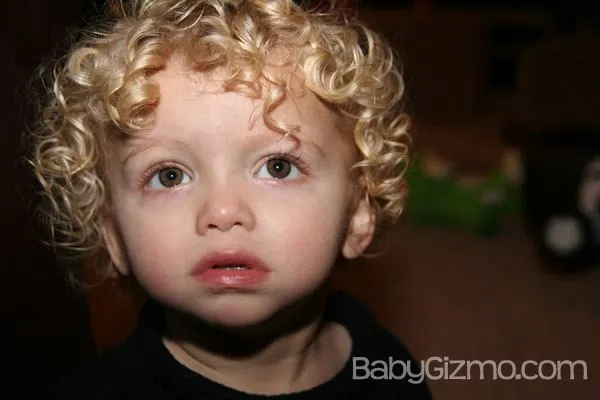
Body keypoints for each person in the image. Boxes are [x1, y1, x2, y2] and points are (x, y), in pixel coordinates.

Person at [30, 0, 432, 398]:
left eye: (278, 167)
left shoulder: (388, 370)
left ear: (359, 214)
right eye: (169, 176)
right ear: (113, 235)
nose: (222, 212)